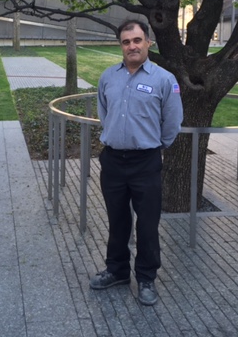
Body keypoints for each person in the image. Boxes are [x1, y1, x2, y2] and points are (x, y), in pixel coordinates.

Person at [90, 19, 183, 306]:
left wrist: (153, 146)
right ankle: (117, 271)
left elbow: (172, 123)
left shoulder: (164, 80)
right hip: (114, 161)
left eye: (137, 40)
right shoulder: (108, 77)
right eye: (126, 41)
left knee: (147, 224)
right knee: (117, 221)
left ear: (148, 43)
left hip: (146, 162)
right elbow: (104, 113)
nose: (132, 46)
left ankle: (146, 278)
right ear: (121, 45)